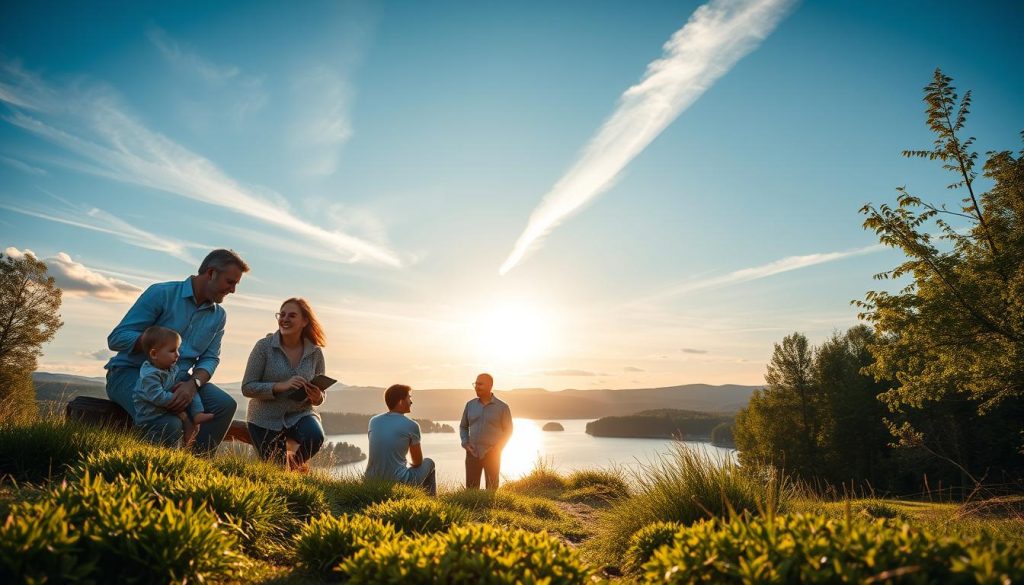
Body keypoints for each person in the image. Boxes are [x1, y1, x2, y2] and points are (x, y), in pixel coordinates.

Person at [105, 249, 247, 453]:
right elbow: (117, 338)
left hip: (178, 379)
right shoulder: (161, 294)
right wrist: (152, 340)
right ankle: (152, 475)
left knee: (224, 406)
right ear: (211, 273)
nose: (232, 290)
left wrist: (193, 384)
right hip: (131, 373)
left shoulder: (218, 316)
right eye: (230, 282)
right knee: (168, 424)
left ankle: (195, 468)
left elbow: (210, 358)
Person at [241, 298, 327, 471]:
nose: (284, 319)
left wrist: (318, 397)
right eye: (282, 314)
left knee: (315, 436)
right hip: (264, 417)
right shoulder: (263, 347)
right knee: (276, 470)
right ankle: (285, 475)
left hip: (301, 413)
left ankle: (294, 468)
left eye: (292, 315)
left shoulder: (316, 353)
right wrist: (281, 386)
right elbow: (247, 387)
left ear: (304, 321)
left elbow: (321, 393)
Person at [133, 326, 214, 447]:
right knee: (173, 424)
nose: (177, 355)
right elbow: (158, 397)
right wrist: (178, 396)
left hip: (164, 409)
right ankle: (165, 451)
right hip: (151, 416)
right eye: (172, 351)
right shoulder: (149, 376)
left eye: (178, 350)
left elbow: (170, 385)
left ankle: (198, 414)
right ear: (154, 354)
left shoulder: (169, 369)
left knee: (190, 387)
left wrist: (180, 387)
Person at [364, 384, 436, 496]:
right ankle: (430, 502)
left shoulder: (373, 421)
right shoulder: (411, 425)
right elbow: (417, 462)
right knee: (429, 463)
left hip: (370, 481)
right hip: (398, 483)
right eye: (409, 398)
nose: (411, 402)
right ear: (401, 402)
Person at [460, 373, 513, 489]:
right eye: (475, 384)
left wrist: (498, 448)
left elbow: (508, 430)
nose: (476, 387)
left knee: (492, 491)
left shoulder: (502, 407)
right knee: (471, 492)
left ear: (490, 386)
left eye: (480, 384)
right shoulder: (470, 405)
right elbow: (463, 426)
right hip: (472, 454)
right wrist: (465, 443)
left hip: (493, 455)